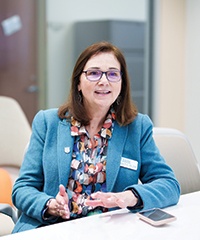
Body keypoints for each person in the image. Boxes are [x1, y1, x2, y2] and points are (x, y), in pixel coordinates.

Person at [12, 41, 180, 233]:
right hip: (52, 228)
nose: (104, 81)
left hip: (110, 230)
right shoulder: (48, 122)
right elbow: (22, 188)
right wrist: (50, 204)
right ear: (78, 83)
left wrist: (128, 197)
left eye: (113, 74)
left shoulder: (137, 127)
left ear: (121, 84)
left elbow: (169, 184)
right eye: (93, 73)